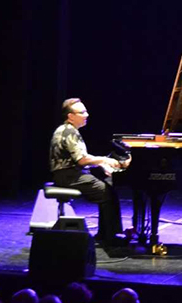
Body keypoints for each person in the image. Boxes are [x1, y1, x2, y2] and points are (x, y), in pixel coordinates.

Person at [49, 98, 130, 246]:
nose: (86, 115)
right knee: (107, 192)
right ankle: (110, 237)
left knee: (106, 189)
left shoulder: (66, 130)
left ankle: (105, 234)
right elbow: (82, 160)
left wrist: (101, 164)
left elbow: (75, 160)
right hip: (68, 177)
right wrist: (104, 161)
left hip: (67, 174)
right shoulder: (70, 132)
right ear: (71, 116)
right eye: (82, 112)